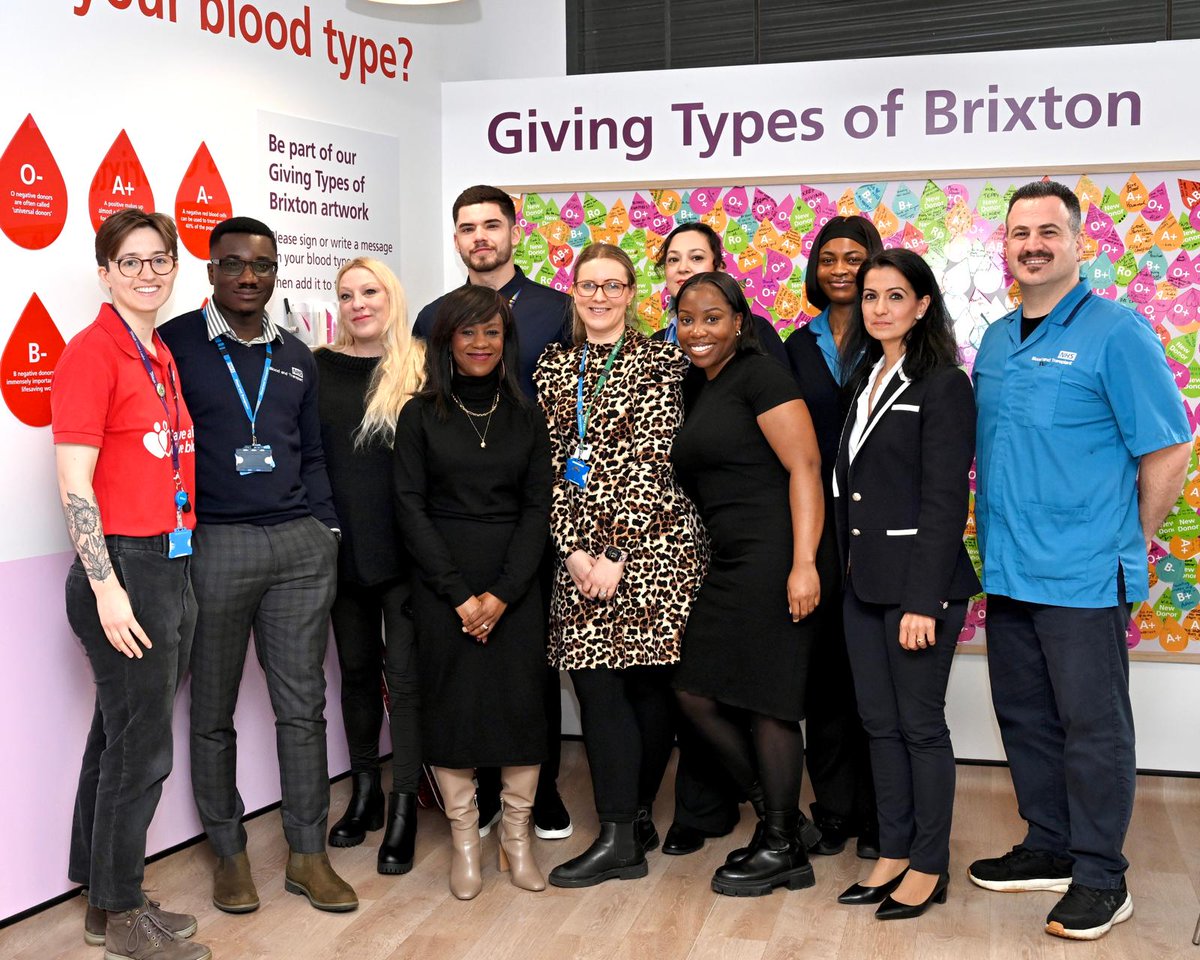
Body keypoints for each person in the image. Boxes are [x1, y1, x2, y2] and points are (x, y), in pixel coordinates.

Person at [969, 180, 1191, 941]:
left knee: (1093, 728)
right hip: (1008, 570)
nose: (1032, 245)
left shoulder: (1116, 332)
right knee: (1025, 717)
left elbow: (1168, 449)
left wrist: (1122, 539)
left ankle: (1101, 876)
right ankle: (1050, 844)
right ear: (1004, 245)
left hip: (1084, 577)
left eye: (1048, 232)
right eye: (1019, 232)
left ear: (1076, 243)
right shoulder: (997, 341)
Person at [160, 217, 356, 914]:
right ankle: (230, 855)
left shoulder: (297, 354)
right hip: (216, 544)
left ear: (276, 272)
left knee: (303, 707)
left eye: (263, 265)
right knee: (212, 709)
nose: (249, 276)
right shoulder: (175, 344)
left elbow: (312, 452)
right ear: (211, 270)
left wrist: (326, 529)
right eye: (234, 264)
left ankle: (308, 855)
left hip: (298, 546)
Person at [52, 208, 210, 960]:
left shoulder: (158, 351)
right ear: (105, 272)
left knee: (118, 737)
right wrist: (106, 586)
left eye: (159, 260)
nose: (147, 273)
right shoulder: (93, 353)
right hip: (125, 565)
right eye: (130, 261)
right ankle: (121, 914)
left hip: (170, 558)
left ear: (174, 267)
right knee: (142, 750)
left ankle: (100, 896)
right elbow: (74, 480)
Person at [534, 243, 706, 888]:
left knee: (646, 688)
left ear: (632, 293)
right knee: (595, 684)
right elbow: (550, 464)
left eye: (613, 285)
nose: (600, 296)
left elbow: (655, 460)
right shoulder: (553, 365)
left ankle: (626, 825)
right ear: (574, 292)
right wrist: (572, 549)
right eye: (589, 285)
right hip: (577, 550)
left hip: (651, 547)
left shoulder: (663, 360)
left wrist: (614, 552)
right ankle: (621, 831)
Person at [414, 184, 573, 841]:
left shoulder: (557, 309)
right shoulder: (433, 315)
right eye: (467, 227)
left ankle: (543, 790)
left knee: (531, 665)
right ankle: (478, 795)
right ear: (456, 238)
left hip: (534, 502)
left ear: (513, 230)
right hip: (458, 506)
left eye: (490, 224)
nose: (479, 236)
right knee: (466, 667)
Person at [670, 271, 829, 898]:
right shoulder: (700, 385)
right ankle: (781, 820)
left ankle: (782, 845)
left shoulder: (761, 375)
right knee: (695, 690)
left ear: (740, 322)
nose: (698, 331)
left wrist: (804, 563)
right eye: (686, 319)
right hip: (731, 557)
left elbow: (805, 466)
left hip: (775, 555)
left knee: (768, 700)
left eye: (712, 318)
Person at [832, 248, 979, 920]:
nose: (880, 308)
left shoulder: (943, 385)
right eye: (871, 296)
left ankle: (928, 862)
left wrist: (924, 601)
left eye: (895, 296)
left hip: (919, 589)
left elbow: (945, 501)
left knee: (919, 727)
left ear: (922, 305)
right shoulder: (865, 377)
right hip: (862, 583)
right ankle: (892, 851)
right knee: (879, 726)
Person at [394, 285, 552, 899]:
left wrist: (504, 593)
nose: (481, 343)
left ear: (506, 341)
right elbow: (409, 509)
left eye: (492, 332)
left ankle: (517, 838)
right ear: (447, 341)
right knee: (451, 708)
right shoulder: (419, 415)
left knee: (522, 707)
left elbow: (538, 507)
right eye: (468, 332)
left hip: (517, 583)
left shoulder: (527, 414)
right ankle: (466, 840)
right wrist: (460, 595)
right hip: (443, 584)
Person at [315, 257, 425, 874]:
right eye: (346, 294)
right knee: (355, 674)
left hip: (408, 556)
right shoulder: (317, 367)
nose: (358, 303)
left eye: (370, 291)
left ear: (392, 296)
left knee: (405, 683)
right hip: (342, 552)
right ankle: (366, 794)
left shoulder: (422, 365)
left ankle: (405, 805)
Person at [786, 215, 884, 859]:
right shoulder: (796, 345)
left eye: (854, 257)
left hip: (878, 526)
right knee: (822, 679)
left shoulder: (894, 339)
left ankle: (880, 817)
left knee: (873, 678)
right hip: (817, 526)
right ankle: (834, 811)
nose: (841, 269)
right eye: (829, 258)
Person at [653, 221, 787, 364]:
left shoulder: (758, 330)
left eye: (697, 258)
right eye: (673, 259)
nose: (682, 268)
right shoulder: (656, 343)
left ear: (718, 268)